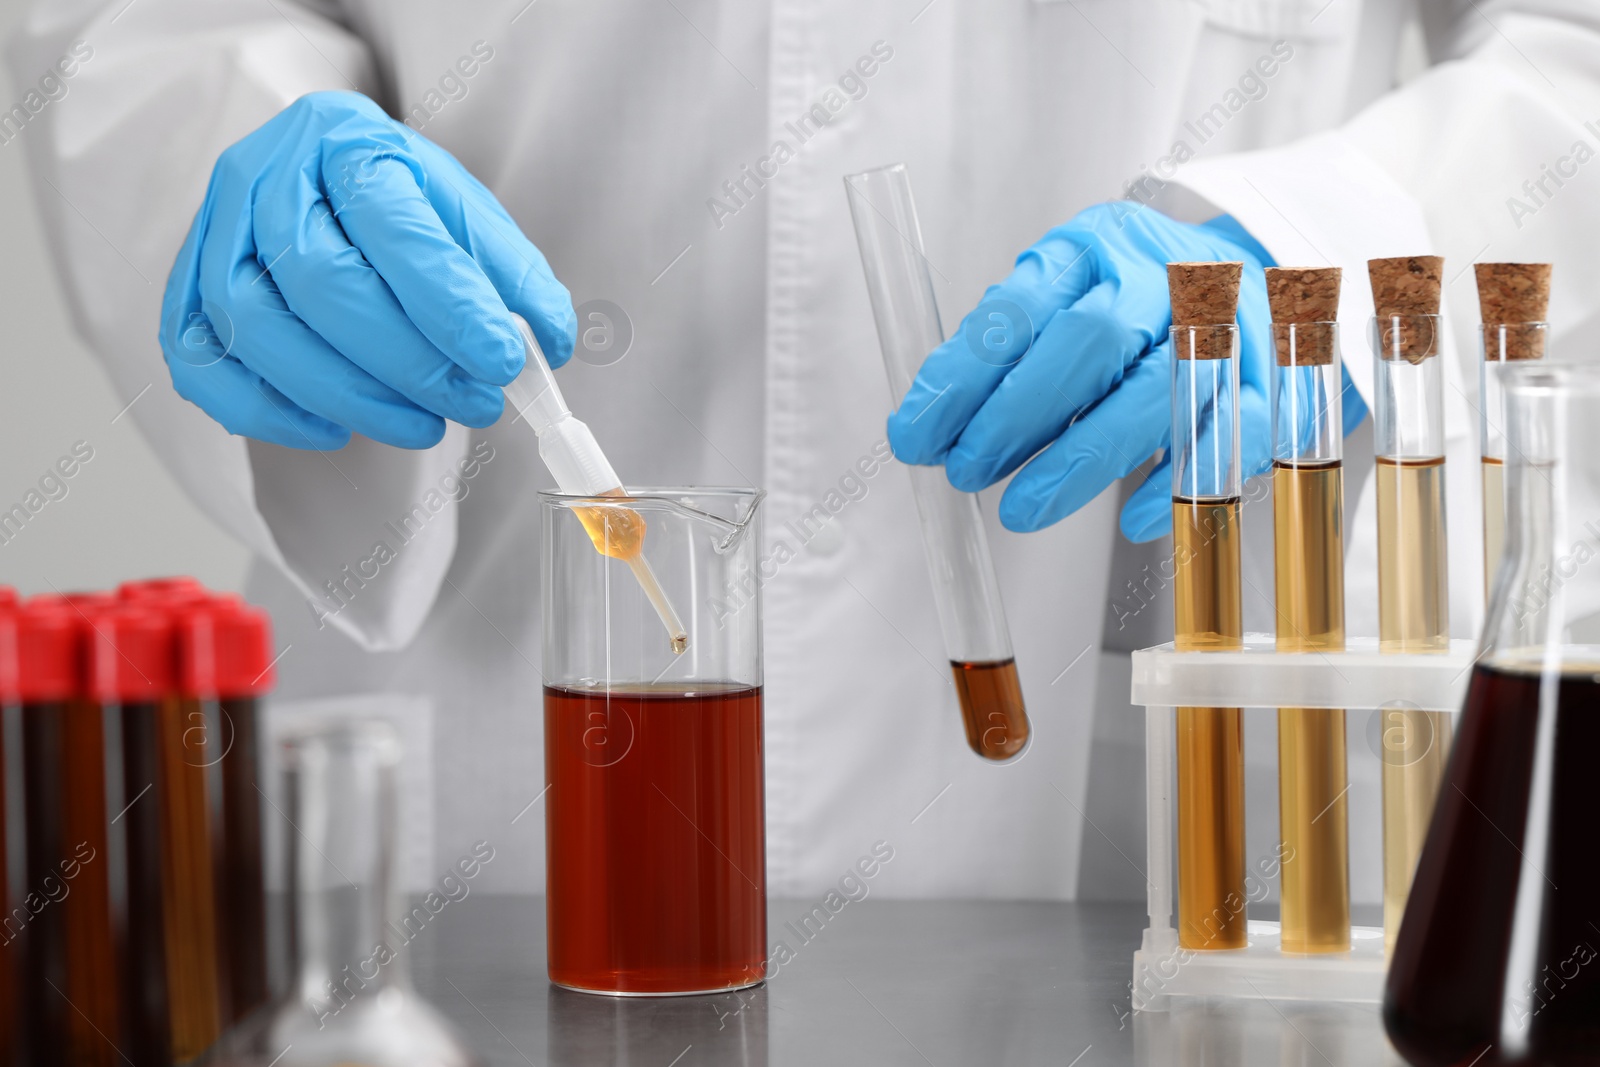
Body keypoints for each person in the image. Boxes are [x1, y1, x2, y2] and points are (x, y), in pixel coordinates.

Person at [10, 1, 1599, 902]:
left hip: (1169, 760)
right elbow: (142, 26)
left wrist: (1323, 249)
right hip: (479, 770)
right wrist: (232, 146)